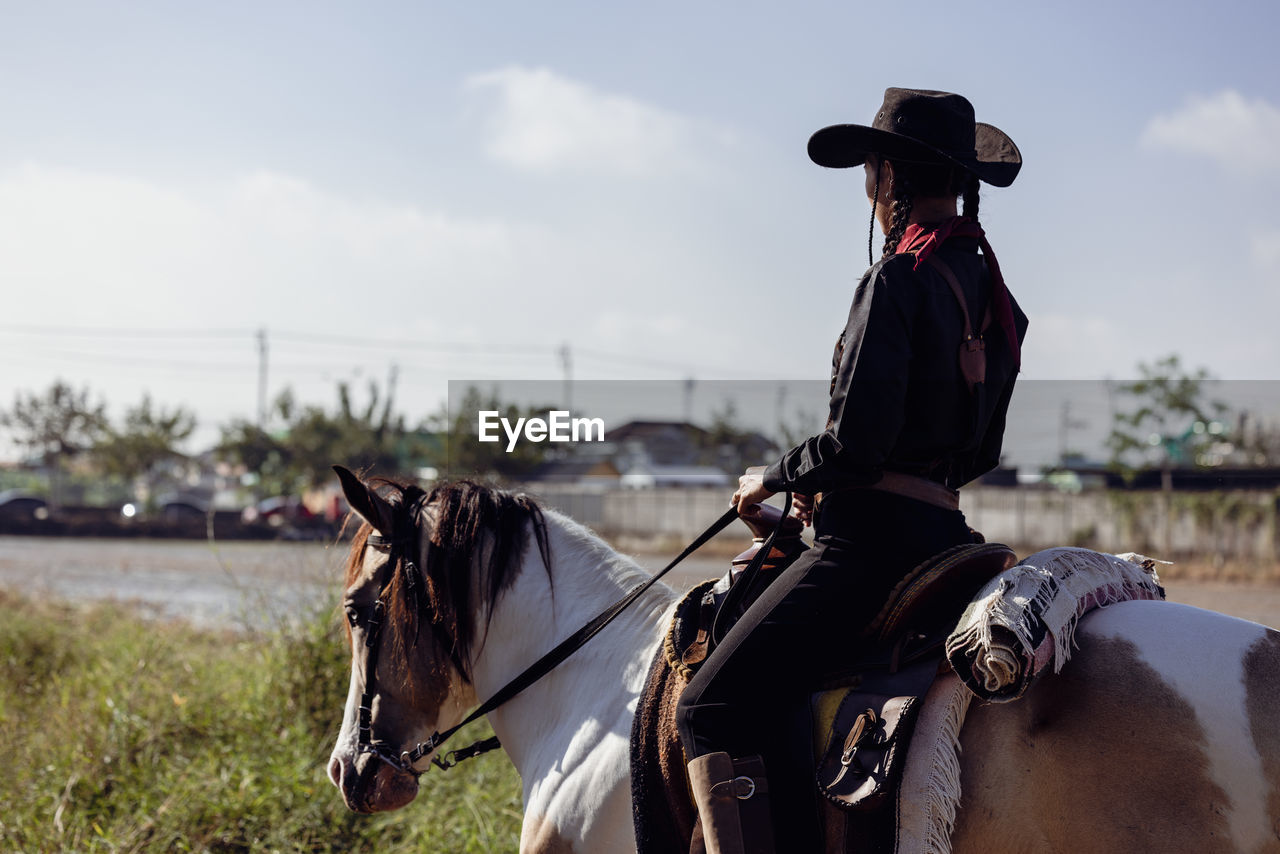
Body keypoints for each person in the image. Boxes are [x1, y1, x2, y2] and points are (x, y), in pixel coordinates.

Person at [675, 88, 1029, 854]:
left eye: (872, 171)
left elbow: (855, 447)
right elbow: (981, 453)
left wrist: (771, 478)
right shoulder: (1001, 305)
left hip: (868, 547)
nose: (869, 189)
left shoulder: (894, 282)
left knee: (707, 708)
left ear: (886, 179)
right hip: (946, 534)